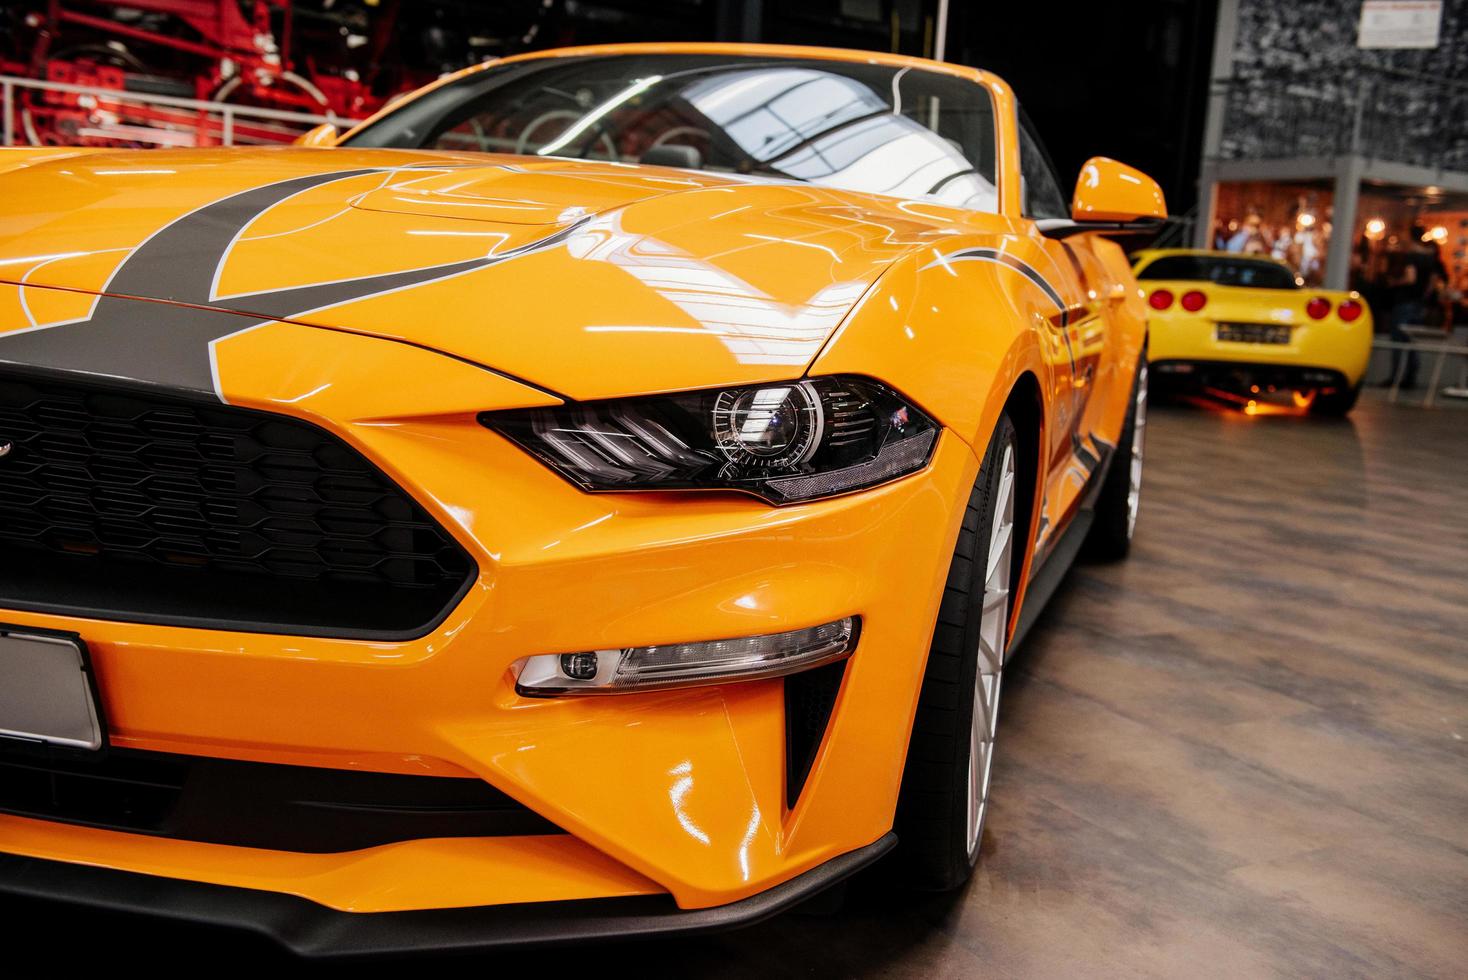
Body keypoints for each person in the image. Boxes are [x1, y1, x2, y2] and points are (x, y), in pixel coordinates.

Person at [1383, 227, 1450, 389]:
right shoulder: (1430, 258)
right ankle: (1410, 377)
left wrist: (1394, 283)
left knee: (1399, 340)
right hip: (1418, 303)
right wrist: (1423, 297)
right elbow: (1433, 282)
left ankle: (1396, 377)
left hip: (1404, 302)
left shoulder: (1411, 257)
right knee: (1413, 341)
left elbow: (1410, 277)